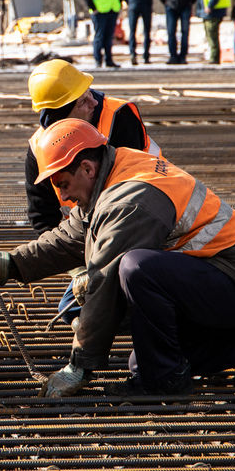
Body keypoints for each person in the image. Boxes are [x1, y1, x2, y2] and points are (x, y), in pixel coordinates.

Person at [0, 119, 235, 398]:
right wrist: (12, 264)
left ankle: (164, 383)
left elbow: (104, 280)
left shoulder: (129, 200)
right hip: (206, 278)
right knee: (138, 357)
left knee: (136, 270)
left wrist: (79, 365)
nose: (62, 197)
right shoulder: (113, 168)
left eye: (63, 184)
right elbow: (71, 236)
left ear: (87, 168)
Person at [25, 59, 162, 325]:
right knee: (72, 309)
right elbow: (42, 217)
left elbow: (129, 202)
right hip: (91, 236)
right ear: (63, 114)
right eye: (82, 101)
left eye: (89, 92)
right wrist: (77, 269)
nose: (94, 101)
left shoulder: (118, 118)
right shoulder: (39, 150)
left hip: (148, 222)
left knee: (122, 293)